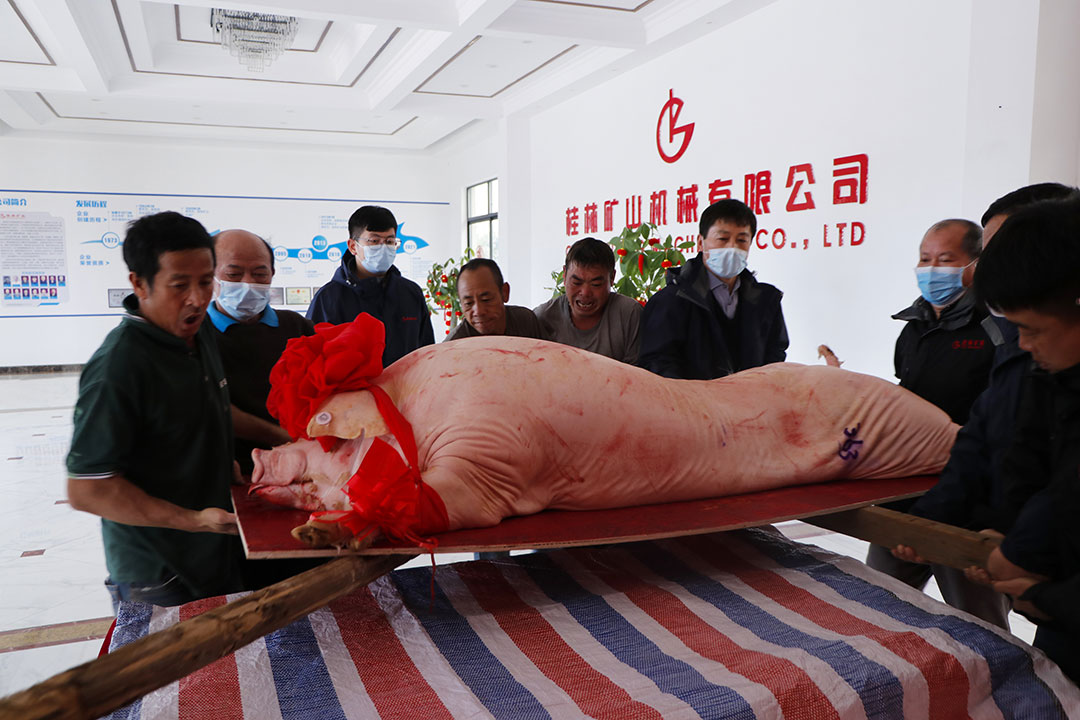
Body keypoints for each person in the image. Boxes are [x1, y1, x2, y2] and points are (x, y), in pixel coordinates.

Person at [873, 193, 1074, 628]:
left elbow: (1049, 472)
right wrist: (929, 519)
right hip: (957, 506)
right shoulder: (918, 328)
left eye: (945, 259)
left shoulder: (1006, 336)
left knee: (983, 627)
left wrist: (1019, 550)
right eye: (924, 258)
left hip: (993, 526)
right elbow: (983, 436)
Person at [66, 211, 243, 610]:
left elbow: (209, 406)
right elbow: (88, 489)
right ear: (139, 283)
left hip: (213, 553)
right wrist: (194, 520)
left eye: (206, 281)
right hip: (158, 573)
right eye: (179, 285)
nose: (197, 299)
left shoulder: (196, 330)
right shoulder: (119, 367)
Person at [967, 197, 1080, 682]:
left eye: (1031, 330)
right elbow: (1057, 482)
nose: (1026, 346)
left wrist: (1047, 596)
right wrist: (1019, 542)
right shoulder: (1062, 376)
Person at [638, 199, 787, 379]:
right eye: (723, 239)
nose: (732, 247)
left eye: (741, 240)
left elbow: (775, 356)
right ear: (700, 243)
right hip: (690, 397)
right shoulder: (670, 301)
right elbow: (657, 364)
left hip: (752, 396)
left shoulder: (767, 300)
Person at [207, 229, 314, 476]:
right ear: (210, 275)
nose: (248, 284)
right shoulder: (196, 335)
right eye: (233, 274)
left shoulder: (297, 327)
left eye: (259, 274)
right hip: (233, 471)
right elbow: (210, 409)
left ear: (272, 274)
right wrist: (284, 438)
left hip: (302, 465)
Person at [890, 219, 993, 425]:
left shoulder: (994, 325)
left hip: (969, 442)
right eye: (925, 259)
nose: (931, 269)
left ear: (976, 265)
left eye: (945, 260)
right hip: (916, 440)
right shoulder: (913, 326)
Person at [307, 205, 434, 366]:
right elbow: (312, 358)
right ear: (353, 246)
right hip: (354, 383)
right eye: (374, 241)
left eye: (389, 241)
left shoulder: (410, 293)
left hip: (407, 382)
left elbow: (427, 352)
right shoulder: (328, 299)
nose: (384, 247)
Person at [534, 237, 642, 364]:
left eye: (596, 284)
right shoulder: (543, 318)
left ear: (612, 278)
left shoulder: (629, 314)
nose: (585, 293)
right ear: (564, 275)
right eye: (576, 282)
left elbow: (637, 373)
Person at [445, 258, 546, 341]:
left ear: (505, 293)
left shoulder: (525, 321)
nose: (478, 311)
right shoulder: (454, 345)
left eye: (486, 299)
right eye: (468, 303)